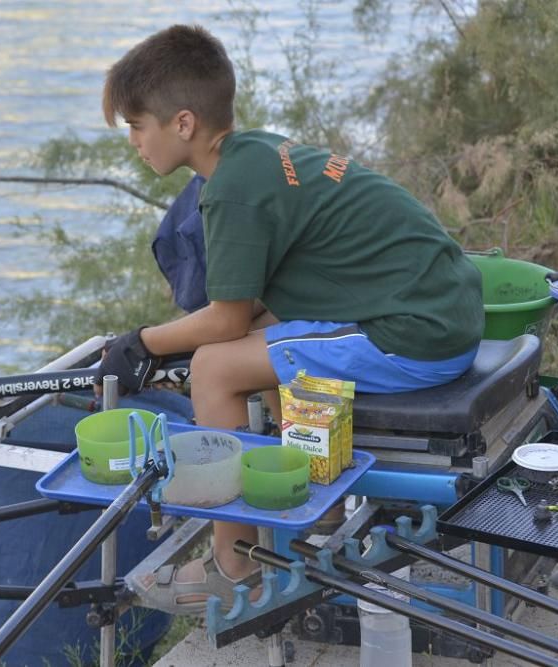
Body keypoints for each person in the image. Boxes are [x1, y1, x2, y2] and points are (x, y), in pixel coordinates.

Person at [97, 24, 484, 615]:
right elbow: (256, 308)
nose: (133, 141)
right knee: (256, 349)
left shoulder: (230, 190)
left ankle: (233, 568)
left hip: (416, 333)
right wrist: (168, 341)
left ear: (182, 123)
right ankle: (317, 516)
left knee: (215, 368)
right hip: (437, 310)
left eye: (136, 125)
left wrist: (142, 342)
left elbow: (225, 323)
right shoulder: (259, 153)